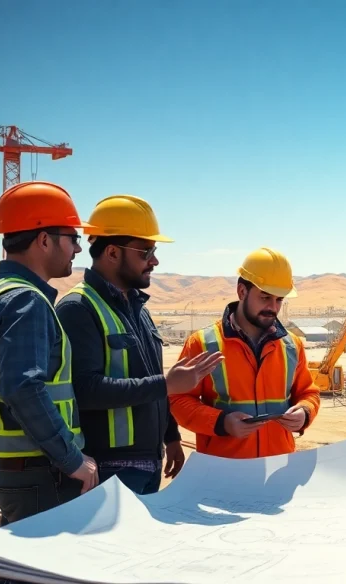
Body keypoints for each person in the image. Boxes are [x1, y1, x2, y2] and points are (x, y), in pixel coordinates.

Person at [0, 181, 99, 584]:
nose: (78, 249)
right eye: (72, 238)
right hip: (39, 473)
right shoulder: (26, 300)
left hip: (13, 468)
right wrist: (72, 460)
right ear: (44, 239)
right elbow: (24, 388)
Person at [55, 195, 222, 494]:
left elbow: (152, 377)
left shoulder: (138, 310)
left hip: (147, 463)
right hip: (109, 470)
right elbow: (85, 389)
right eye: (146, 251)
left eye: (154, 251)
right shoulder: (78, 308)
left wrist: (171, 436)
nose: (154, 260)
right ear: (112, 252)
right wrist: (166, 385)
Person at [169, 247, 322, 459]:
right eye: (265, 297)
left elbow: (308, 393)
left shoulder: (291, 345)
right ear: (242, 291)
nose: (273, 307)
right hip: (225, 468)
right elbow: (178, 400)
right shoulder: (202, 344)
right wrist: (222, 422)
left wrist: (305, 413)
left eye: (279, 300)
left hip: (278, 465)